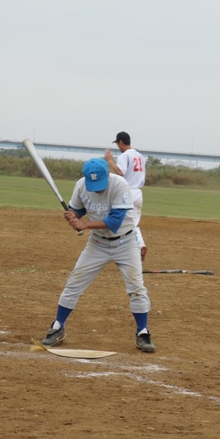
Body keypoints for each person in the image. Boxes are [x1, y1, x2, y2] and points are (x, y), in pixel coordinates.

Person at [39, 158, 155, 353]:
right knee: (73, 284)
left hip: (126, 242)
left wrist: (85, 225)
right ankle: (58, 326)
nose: (97, 189)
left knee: (136, 288)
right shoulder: (81, 186)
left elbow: (115, 221)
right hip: (97, 244)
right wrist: (73, 215)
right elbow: (79, 208)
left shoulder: (119, 184)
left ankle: (142, 332)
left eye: (100, 184)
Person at [104, 131, 147, 260]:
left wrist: (110, 160)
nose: (118, 146)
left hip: (126, 192)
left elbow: (120, 172)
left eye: (118, 143)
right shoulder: (139, 156)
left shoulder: (124, 156)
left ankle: (117, 249)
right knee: (133, 223)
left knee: (116, 220)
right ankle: (139, 245)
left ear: (121, 142)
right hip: (138, 192)